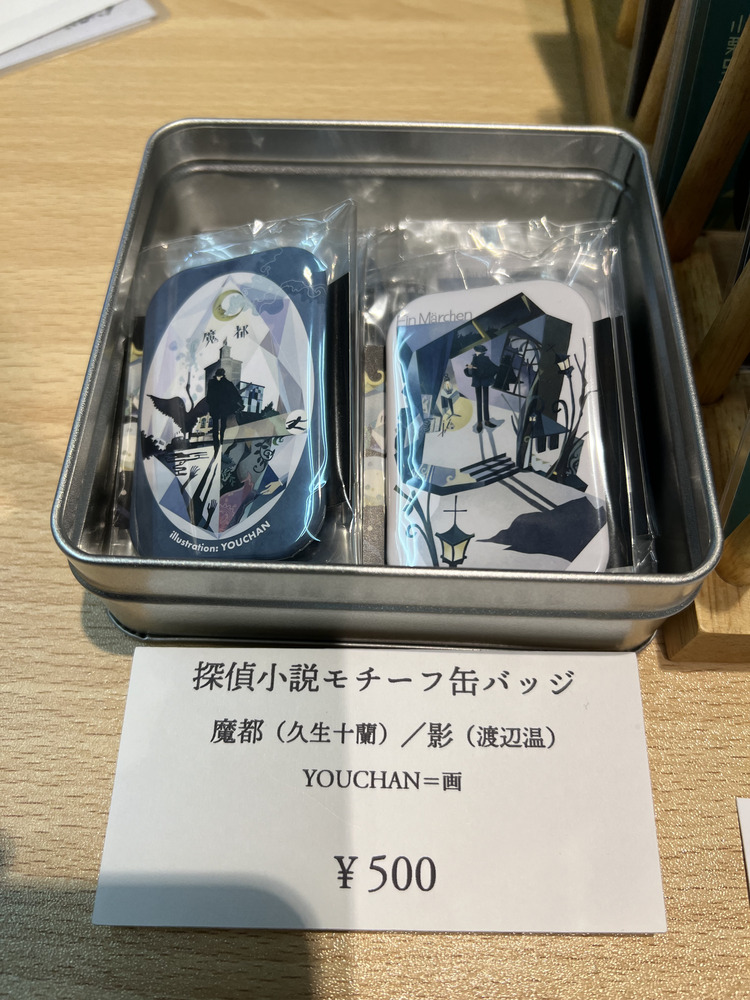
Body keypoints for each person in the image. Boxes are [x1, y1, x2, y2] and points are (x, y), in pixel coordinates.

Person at [206, 368, 243, 449]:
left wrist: (210, 403)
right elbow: (236, 395)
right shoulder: (227, 383)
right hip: (222, 408)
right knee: (221, 425)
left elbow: (209, 396)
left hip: (217, 408)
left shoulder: (213, 382)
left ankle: (218, 442)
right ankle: (220, 442)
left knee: (218, 425)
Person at [464, 345, 498, 432]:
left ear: (480, 351)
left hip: (484, 381)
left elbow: (493, 368)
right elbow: (471, 372)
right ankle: (480, 422)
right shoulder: (474, 358)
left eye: (477, 350)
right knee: (479, 402)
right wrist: (470, 369)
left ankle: (486, 421)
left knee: (484, 402)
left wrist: (477, 369)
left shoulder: (485, 359)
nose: (476, 352)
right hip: (478, 382)